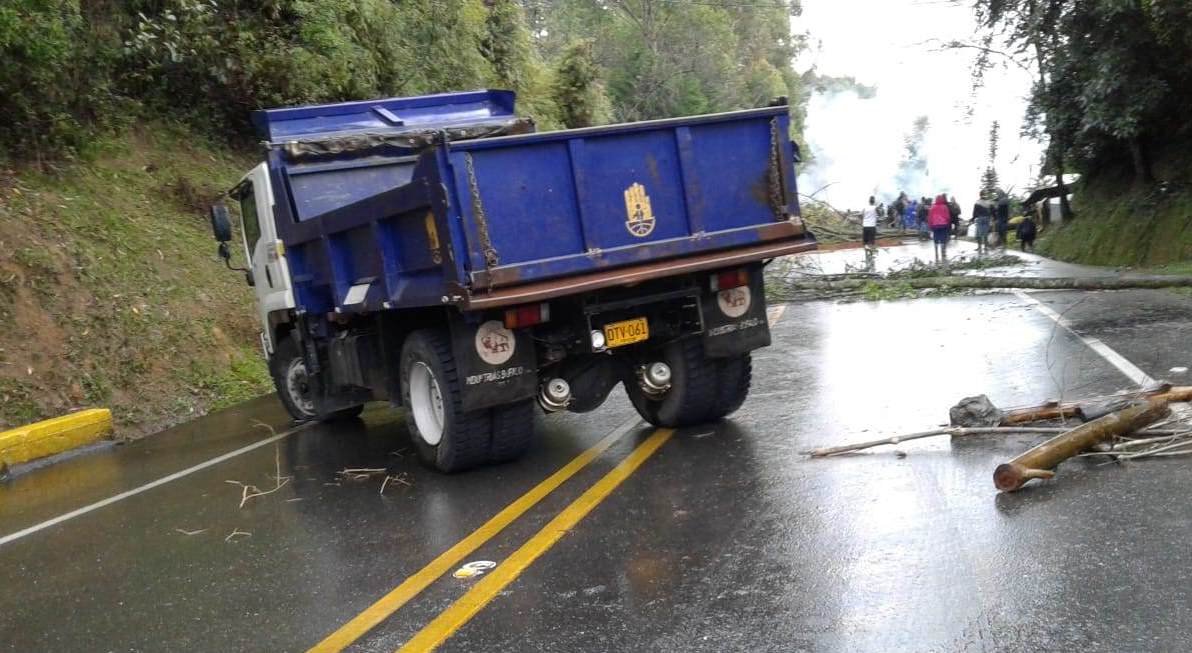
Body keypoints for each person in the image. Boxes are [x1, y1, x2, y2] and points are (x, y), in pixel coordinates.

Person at [928, 194, 952, 262]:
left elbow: (930, 218)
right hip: (943, 225)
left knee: (935, 237)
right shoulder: (944, 207)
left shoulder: (932, 207)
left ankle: (936, 252)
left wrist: (930, 225)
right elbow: (948, 217)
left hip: (935, 225)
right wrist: (948, 223)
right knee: (943, 238)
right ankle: (942, 252)